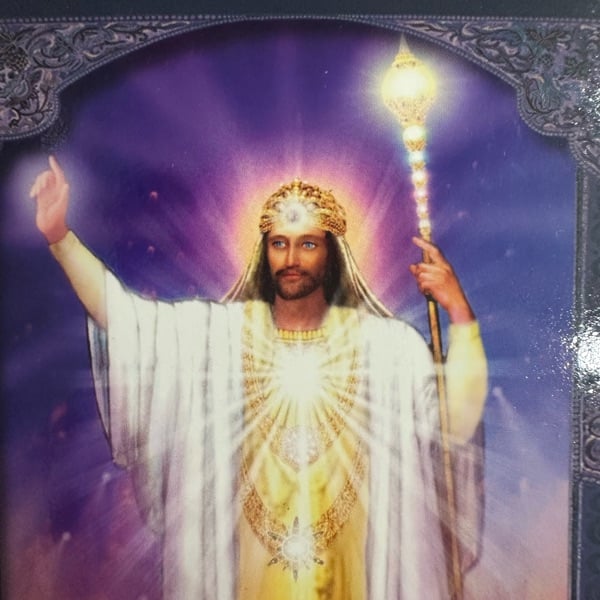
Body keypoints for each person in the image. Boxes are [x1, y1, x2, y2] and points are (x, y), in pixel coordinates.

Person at [30, 156, 487, 599]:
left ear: (331, 253)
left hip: (355, 575)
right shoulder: (221, 338)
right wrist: (60, 238)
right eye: (279, 243)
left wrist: (460, 313)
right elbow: (126, 319)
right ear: (265, 251)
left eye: (308, 244)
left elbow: (457, 424)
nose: (291, 258)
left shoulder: (386, 347)